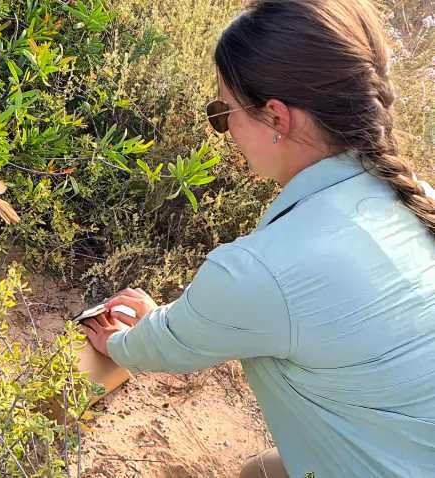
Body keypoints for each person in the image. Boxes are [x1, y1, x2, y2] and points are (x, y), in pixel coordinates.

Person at [79, 1, 435, 477]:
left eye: (223, 112)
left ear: (275, 118)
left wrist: (119, 342)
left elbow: (168, 348)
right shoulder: (413, 196)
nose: (224, 131)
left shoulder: (260, 270)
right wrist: (160, 321)